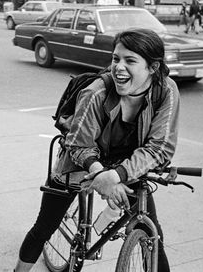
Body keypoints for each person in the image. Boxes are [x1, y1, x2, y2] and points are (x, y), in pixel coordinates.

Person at [14, 28, 179, 272]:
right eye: (116, 59)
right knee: (44, 227)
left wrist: (117, 175)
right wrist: (100, 172)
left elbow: (161, 146)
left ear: (152, 68)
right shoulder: (96, 92)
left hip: (128, 166)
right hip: (81, 162)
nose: (119, 67)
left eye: (130, 61)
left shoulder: (165, 90)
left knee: (152, 234)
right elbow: (77, 144)